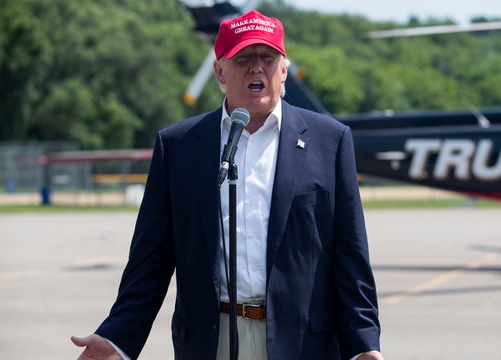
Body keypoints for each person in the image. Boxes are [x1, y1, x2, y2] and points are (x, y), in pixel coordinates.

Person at [71, 10, 383, 360]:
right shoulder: (178, 146)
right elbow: (150, 262)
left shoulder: (331, 141)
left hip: (301, 343)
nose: (256, 68)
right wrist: (117, 339)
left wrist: (364, 346)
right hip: (210, 341)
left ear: (284, 70)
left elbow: (350, 256)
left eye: (268, 58)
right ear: (219, 71)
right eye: (243, 58)